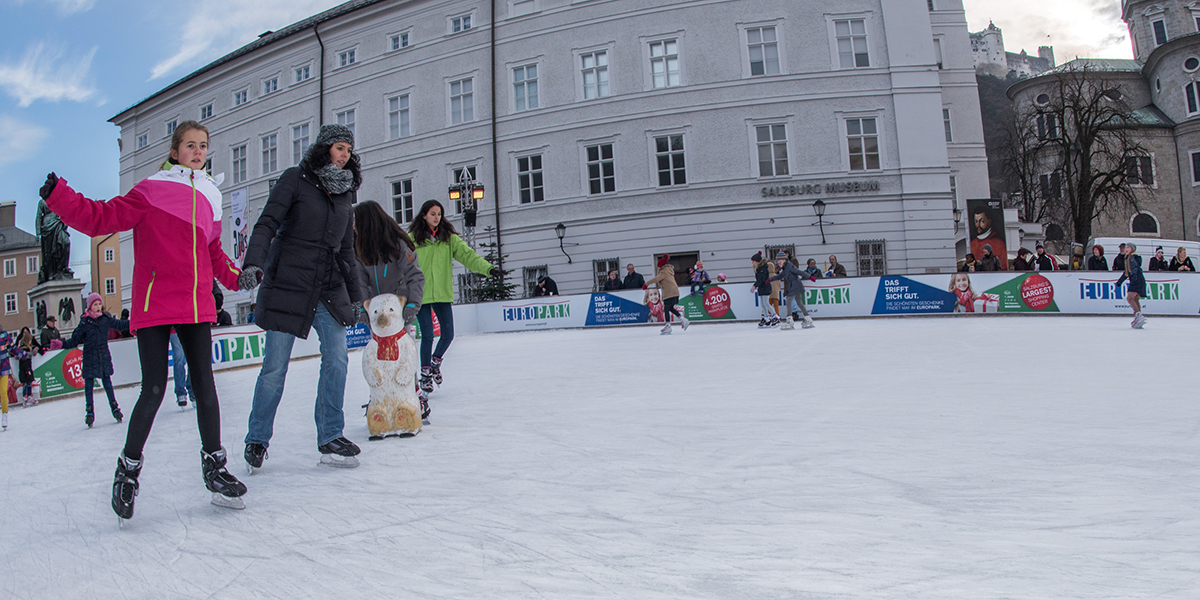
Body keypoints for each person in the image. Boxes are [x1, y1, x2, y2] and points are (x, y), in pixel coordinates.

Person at [39, 119, 250, 519]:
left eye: (203, 145)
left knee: (205, 386)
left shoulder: (210, 195)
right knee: (153, 390)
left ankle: (215, 468)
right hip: (156, 304)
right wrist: (60, 196)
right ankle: (128, 472)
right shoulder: (152, 189)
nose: (198, 151)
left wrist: (240, 278)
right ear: (175, 151)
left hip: (195, 305)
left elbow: (213, 253)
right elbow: (102, 217)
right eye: (190, 145)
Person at [240, 124, 367, 471]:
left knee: (337, 358)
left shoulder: (345, 193)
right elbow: (267, 223)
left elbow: (346, 249)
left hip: (328, 286)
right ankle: (257, 438)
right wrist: (253, 262)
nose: (345, 155)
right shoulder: (295, 179)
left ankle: (330, 436)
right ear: (324, 148)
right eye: (339, 148)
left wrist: (356, 297)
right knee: (274, 368)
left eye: (348, 150)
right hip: (289, 282)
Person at [408, 199, 498, 418]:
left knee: (448, 334)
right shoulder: (412, 240)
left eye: (439, 213)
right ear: (424, 215)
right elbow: (401, 261)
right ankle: (425, 374)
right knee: (427, 335)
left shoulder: (448, 238)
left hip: (442, 293)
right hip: (422, 294)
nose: (436, 217)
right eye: (432, 213)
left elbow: (468, 256)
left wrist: (489, 269)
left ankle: (435, 363)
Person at [353, 200, 425, 436]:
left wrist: (411, 305)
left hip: (398, 309)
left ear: (368, 222)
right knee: (380, 355)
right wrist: (363, 310)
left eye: (356, 222)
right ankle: (381, 398)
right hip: (376, 313)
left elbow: (415, 276)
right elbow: (360, 283)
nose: (353, 227)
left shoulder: (397, 244)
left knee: (403, 353)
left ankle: (413, 395)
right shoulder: (359, 249)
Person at [59, 292, 129, 427]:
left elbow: (120, 325)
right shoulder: (85, 322)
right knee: (89, 386)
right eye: (95, 304)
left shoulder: (105, 319)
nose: (98, 307)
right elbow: (75, 340)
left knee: (107, 383)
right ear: (89, 306)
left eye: (99, 304)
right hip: (90, 357)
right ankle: (90, 412)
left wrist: (136, 322)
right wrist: (61, 344)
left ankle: (115, 407)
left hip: (103, 356)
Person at [643, 254, 690, 334]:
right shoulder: (669, 270)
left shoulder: (663, 271)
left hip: (669, 292)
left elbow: (656, 279)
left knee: (666, 309)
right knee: (670, 308)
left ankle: (668, 325)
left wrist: (646, 284)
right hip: (674, 291)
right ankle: (683, 319)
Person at [769, 251, 814, 329]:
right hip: (795, 285)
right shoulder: (784, 267)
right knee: (799, 302)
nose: (778, 262)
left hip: (795, 285)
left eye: (779, 260)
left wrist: (809, 277)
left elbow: (798, 271)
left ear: (783, 260)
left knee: (788, 301)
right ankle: (808, 318)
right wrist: (770, 279)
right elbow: (780, 276)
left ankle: (790, 320)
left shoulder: (789, 266)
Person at [1116, 243, 1147, 329]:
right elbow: (1127, 273)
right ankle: (1139, 317)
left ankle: (1139, 316)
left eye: (1128, 247)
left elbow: (1134, 268)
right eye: (1126, 247)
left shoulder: (1132, 258)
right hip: (1138, 279)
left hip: (1136, 280)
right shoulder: (1128, 258)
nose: (1126, 249)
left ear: (1132, 249)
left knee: (1130, 298)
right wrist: (1120, 281)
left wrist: (1134, 277)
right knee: (1135, 299)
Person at [969, 204, 1007, 270]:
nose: (978, 225)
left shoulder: (999, 244)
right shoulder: (972, 244)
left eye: (982, 221)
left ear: (989, 221)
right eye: (976, 221)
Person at [752, 253, 778, 328]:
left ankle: (775, 317)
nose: (752, 263)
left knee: (766, 303)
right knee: (762, 304)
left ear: (757, 261)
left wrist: (755, 285)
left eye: (753, 261)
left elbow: (761, 279)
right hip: (761, 288)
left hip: (765, 287)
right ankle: (766, 318)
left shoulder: (762, 268)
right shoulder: (758, 269)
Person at [169, 330, 193, 408]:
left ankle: (193, 389)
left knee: (193, 358)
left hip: (190, 327)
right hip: (174, 328)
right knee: (179, 357)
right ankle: (180, 392)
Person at [15, 327, 38, 406]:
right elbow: (24, 362)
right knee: (26, 384)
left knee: (29, 383)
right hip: (25, 370)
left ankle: (29, 397)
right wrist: (27, 370)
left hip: (27, 369)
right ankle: (25, 398)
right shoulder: (24, 350)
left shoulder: (27, 349)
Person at [0, 331, 12, 431]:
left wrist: (22, 353)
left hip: (4, 368)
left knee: (3, 391)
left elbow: (12, 347)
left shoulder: (4, 335)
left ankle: (5, 415)